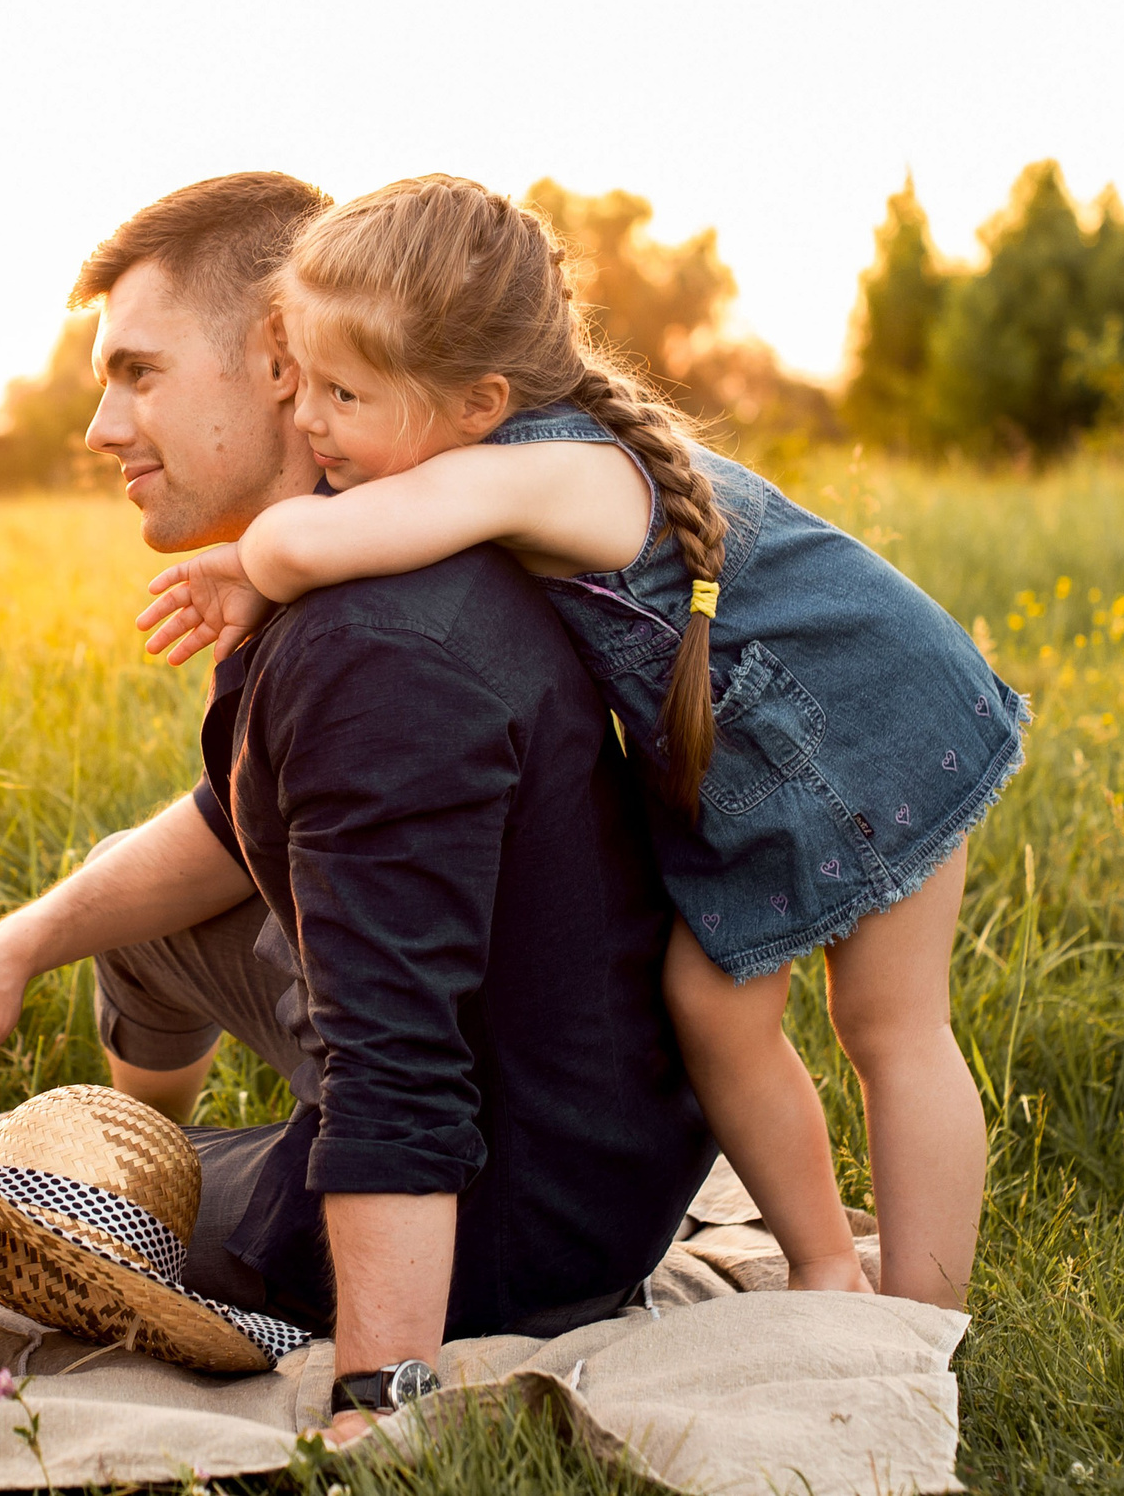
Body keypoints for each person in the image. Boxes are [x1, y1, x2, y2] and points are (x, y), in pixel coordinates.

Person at [0, 172, 714, 1441]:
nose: (100, 425)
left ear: (279, 358)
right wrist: (16, 946)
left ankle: (186, 1222)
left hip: (507, 1223)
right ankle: (155, 1159)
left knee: (9, 1187)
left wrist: (376, 1398)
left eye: (138, 373)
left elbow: (400, 1061)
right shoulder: (350, 558)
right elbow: (230, 820)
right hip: (551, 1105)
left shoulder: (372, 651)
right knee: (127, 910)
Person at [139, 175, 1026, 1312]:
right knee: (710, 1010)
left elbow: (336, 537)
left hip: (882, 714)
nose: (305, 420)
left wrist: (247, 560)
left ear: (480, 401)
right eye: (299, 380)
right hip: (767, 754)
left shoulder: (545, 471)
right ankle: (823, 1262)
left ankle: (926, 1311)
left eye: (342, 393)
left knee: (891, 1025)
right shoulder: (500, 448)